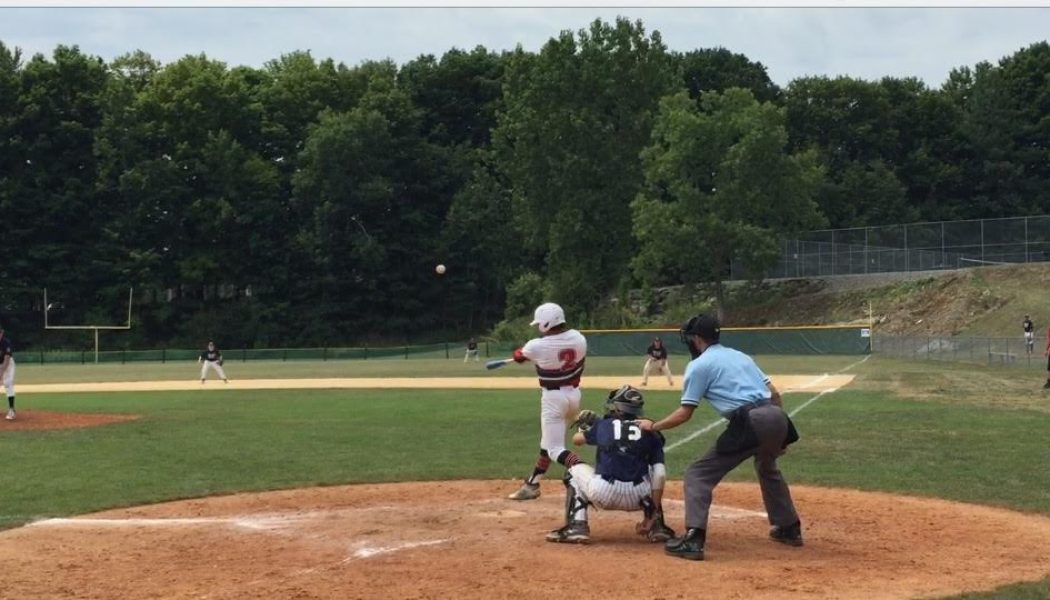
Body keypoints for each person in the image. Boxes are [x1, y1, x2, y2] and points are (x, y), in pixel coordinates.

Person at [637, 314, 802, 561]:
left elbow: (685, 413)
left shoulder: (699, 365)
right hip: (777, 416)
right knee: (767, 466)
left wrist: (654, 426)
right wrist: (780, 436)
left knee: (698, 474)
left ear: (696, 339)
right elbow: (774, 394)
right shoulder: (740, 356)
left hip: (751, 420)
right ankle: (789, 528)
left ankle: (694, 539)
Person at [546, 385, 676, 545]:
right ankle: (657, 526)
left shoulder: (604, 424)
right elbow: (660, 474)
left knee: (573, 471)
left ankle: (576, 526)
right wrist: (652, 512)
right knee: (653, 472)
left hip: (604, 494)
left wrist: (586, 427)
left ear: (618, 407)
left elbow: (577, 440)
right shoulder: (651, 431)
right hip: (639, 498)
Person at [507, 302, 588, 501]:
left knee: (554, 449)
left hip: (553, 399)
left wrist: (518, 355)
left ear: (546, 323)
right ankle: (532, 484)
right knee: (548, 443)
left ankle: (586, 474)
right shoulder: (579, 338)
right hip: (574, 396)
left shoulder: (537, 345)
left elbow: (519, 355)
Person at [0, 328, 16, 420]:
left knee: (8, 383)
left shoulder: (6, 343)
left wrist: (1, 373)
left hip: (8, 364)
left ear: (2, 333)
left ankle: (11, 409)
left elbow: (6, 359)